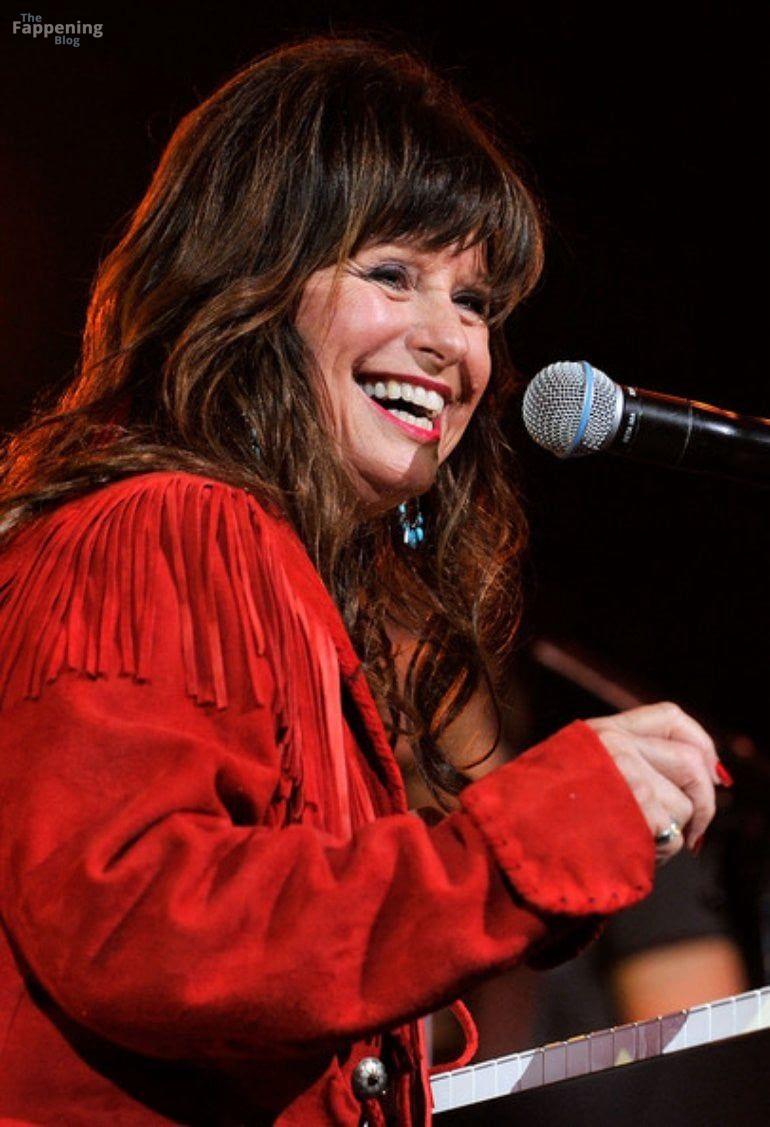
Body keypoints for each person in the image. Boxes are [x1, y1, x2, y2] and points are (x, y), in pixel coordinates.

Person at [0, 36, 722, 1126]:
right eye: (391, 275)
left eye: (474, 301)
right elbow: (139, 924)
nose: (451, 343)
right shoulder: (163, 523)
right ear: (247, 281)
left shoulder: (279, 570)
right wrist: (532, 840)